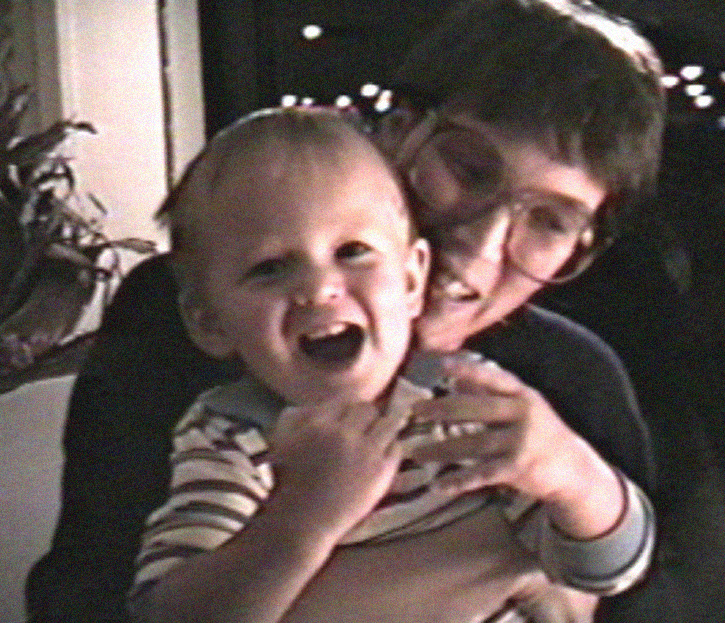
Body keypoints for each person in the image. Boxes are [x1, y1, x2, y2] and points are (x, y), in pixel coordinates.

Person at [27, 1, 677, 621]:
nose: (482, 247)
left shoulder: (565, 382)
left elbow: (626, 584)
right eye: (470, 169)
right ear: (398, 129)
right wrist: (499, 562)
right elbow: (100, 604)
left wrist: (573, 480)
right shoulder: (190, 344)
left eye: (551, 221)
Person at [126, 106, 654, 623]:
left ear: (411, 279)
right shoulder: (231, 437)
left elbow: (605, 570)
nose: (319, 288)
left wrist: (571, 473)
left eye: (352, 251)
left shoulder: (466, 401)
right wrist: (303, 516)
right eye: (269, 268)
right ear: (209, 322)